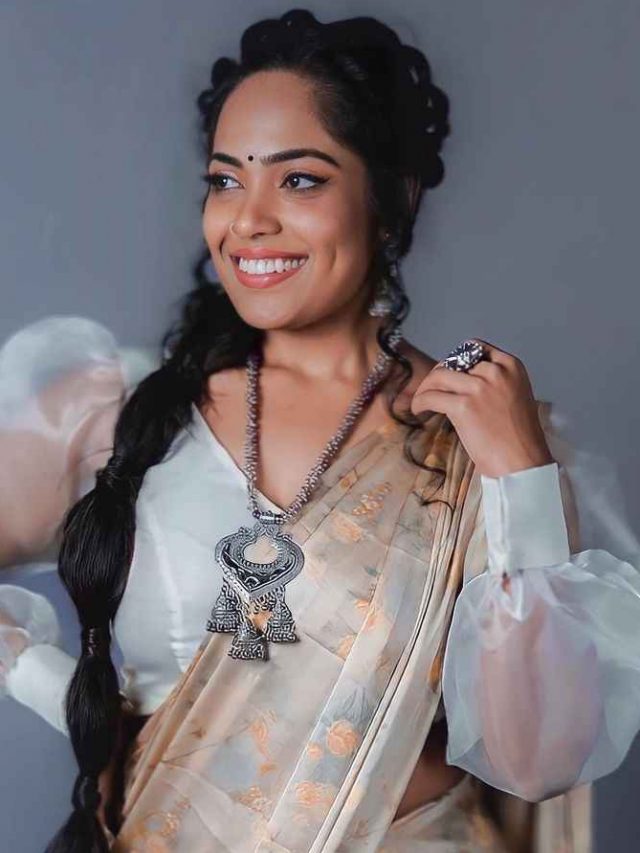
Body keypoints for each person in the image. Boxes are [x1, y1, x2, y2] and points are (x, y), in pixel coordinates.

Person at [1, 8, 639, 852]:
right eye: (226, 180)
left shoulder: (473, 438)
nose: (249, 220)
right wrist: (72, 701)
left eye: (299, 180)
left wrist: (520, 478)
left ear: (393, 197)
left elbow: (540, 757)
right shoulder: (122, 412)